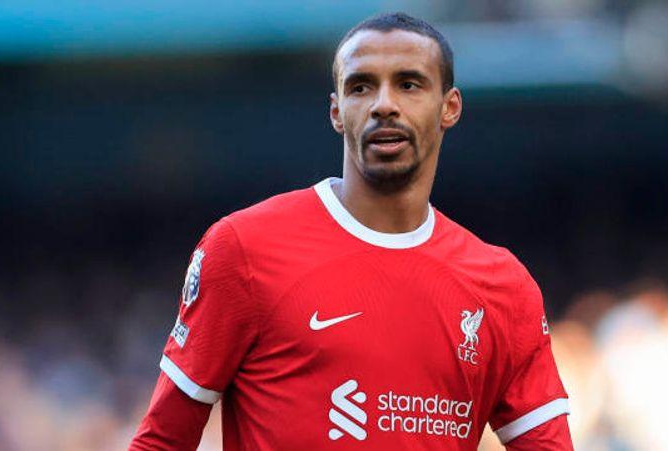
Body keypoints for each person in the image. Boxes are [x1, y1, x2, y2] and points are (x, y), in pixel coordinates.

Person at [129, 12, 572, 451]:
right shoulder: (245, 248)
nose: (384, 104)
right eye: (361, 86)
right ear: (337, 111)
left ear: (449, 107)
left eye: (409, 83)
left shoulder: (502, 287)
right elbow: (162, 441)